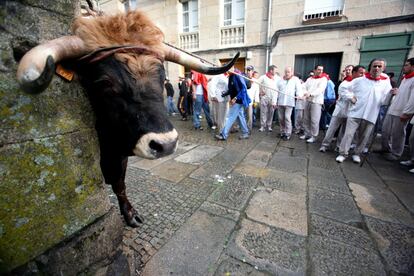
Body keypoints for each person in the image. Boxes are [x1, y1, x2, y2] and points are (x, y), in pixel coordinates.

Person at [336, 58, 394, 163]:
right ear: (370, 67)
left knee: (364, 136)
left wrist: (391, 94)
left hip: (371, 114)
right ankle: (343, 153)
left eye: (379, 66)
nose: (376, 68)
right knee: (348, 134)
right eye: (374, 66)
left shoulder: (385, 83)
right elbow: (343, 89)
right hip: (355, 112)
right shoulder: (360, 80)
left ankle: (357, 153)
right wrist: (351, 97)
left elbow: (385, 102)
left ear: (383, 68)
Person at [381, 57, 414, 161]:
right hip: (393, 108)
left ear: (413, 67)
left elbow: (413, 98)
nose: (404, 67)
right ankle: (385, 148)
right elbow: (404, 94)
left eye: (406, 65)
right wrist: (397, 92)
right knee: (385, 130)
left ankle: (396, 153)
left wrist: (407, 112)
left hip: (402, 112)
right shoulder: (405, 78)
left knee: (398, 133)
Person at [319, 65, 355, 152]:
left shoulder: (357, 82)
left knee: (344, 130)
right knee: (332, 128)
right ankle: (325, 145)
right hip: (339, 108)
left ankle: (339, 146)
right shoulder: (344, 82)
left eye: (349, 70)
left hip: (350, 110)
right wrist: (351, 97)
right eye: (346, 70)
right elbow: (342, 93)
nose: (347, 72)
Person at [215, 69, 250, 140]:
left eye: (227, 69)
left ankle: (223, 135)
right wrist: (223, 94)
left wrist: (235, 98)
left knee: (230, 117)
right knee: (241, 117)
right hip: (236, 100)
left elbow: (243, 89)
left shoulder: (237, 76)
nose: (226, 71)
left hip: (238, 101)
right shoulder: (231, 76)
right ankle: (245, 133)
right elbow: (231, 89)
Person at [300, 65, 328, 143]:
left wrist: (311, 94)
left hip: (316, 102)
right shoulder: (310, 79)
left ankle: (314, 136)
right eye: (319, 69)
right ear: (314, 70)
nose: (320, 71)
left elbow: (320, 89)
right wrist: (305, 93)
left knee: (314, 120)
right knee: (306, 118)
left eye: (322, 70)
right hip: (308, 101)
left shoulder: (323, 79)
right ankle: (307, 134)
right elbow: (303, 87)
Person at [276, 66, 303, 140]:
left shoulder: (295, 80)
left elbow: (299, 89)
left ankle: (288, 134)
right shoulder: (280, 80)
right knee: (281, 118)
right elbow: (276, 91)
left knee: (287, 118)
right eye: (286, 72)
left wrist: (299, 95)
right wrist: (274, 101)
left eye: (288, 72)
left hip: (289, 102)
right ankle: (282, 132)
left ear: (292, 72)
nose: (287, 73)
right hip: (281, 102)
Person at [258, 65, 280, 132]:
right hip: (264, 98)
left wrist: (276, 100)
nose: (276, 72)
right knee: (263, 113)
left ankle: (269, 126)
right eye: (275, 70)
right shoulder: (263, 77)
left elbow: (279, 88)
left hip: (273, 99)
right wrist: (260, 92)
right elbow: (256, 84)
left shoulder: (278, 78)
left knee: (271, 113)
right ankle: (262, 126)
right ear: (271, 70)